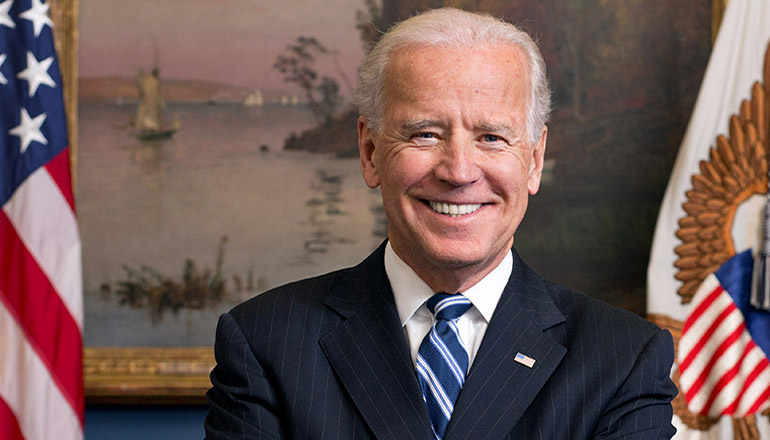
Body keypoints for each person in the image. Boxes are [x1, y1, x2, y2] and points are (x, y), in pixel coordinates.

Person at [204, 8, 677, 440]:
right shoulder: (267, 343)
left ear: (534, 161)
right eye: (425, 134)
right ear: (370, 153)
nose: (459, 171)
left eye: (492, 137)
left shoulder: (622, 359)